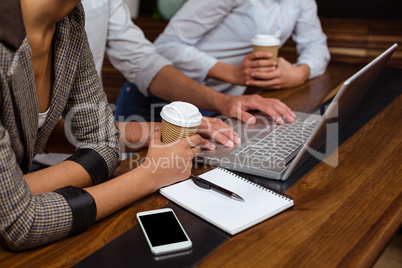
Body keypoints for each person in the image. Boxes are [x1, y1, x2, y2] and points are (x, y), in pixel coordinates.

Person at [0, 0, 209, 251]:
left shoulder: (68, 18)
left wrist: (19, 194)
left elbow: (103, 141)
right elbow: (21, 224)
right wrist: (149, 176)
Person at [87, 0, 296, 128]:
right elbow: (166, 46)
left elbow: (143, 62)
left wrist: (224, 102)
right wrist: (232, 75)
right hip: (90, 131)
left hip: (91, 138)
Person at [153, 0, 330, 95]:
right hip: (169, 97)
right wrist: (232, 73)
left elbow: (315, 44)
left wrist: (301, 73)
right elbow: (166, 45)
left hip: (222, 102)